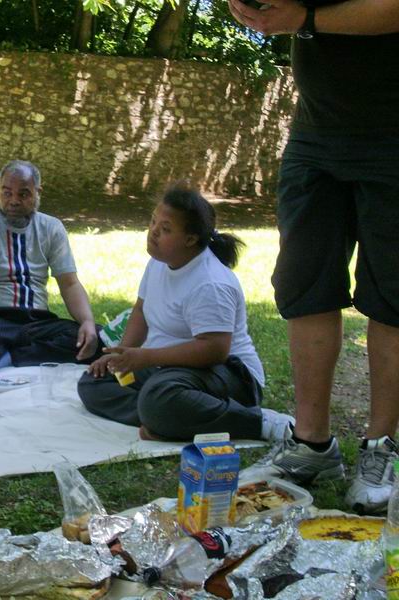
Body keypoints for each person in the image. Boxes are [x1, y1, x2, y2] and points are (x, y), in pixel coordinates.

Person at [229, 0, 399, 514]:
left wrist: (302, 19)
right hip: (315, 133)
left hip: (392, 134)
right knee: (304, 286)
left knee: (393, 297)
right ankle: (311, 444)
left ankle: (381, 449)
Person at [78, 182, 294, 443]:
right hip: (167, 371)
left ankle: (258, 422)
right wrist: (121, 355)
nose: (153, 232)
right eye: (153, 221)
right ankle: (165, 419)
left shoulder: (210, 284)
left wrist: (146, 357)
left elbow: (215, 350)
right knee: (94, 381)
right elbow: (141, 310)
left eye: (165, 229)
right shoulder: (158, 263)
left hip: (229, 375)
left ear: (190, 239)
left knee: (159, 396)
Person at [0, 159, 103, 373]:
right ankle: (16, 355)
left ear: (38, 192)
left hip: (36, 321)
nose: (14, 201)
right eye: (7, 193)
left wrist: (87, 322)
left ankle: (9, 357)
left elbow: (70, 284)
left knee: (97, 341)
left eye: (23, 194)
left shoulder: (52, 228)